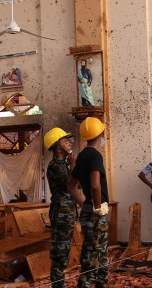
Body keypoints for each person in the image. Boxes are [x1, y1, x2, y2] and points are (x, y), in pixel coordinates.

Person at [68, 117, 110, 287]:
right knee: (98, 250)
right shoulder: (94, 156)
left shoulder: (82, 156)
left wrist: (83, 203)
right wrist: (97, 207)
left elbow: (71, 184)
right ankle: (93, 283)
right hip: (95, 211)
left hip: (87, 209)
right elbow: (95, 185)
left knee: (91, 248)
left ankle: (91, 282)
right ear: (100, 133)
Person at [44, 127, 83, 288]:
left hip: (67, 214)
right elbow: (72, 183)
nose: (69, 143)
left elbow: (78, 184)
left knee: (64, 251)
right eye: (65, 140)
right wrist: (74, 165)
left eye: (69, 140)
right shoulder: (55, 166)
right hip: (61, 214)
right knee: (60, 253)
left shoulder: (64, 164)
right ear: (57, 146)